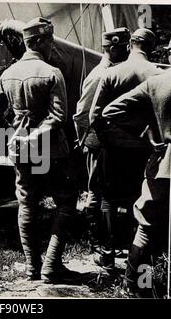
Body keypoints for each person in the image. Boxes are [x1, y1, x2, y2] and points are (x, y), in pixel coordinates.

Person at [0, 18, 79, 283]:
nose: (52, 46)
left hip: (20, 151)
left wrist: (17, 133)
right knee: (66, 200)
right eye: (49, 40)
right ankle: (51, 266)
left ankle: (31, 268)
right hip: (52, 151)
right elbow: (59, 116)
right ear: (39, 41)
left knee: (26, 203)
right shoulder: (52, 72)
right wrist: (36, 135)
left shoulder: (7, 74)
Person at [101, 29, 171, 297]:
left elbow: (110, 111)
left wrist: (147, 133)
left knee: (147, 229)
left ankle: (137, 287)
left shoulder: (159, 82)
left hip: (167, 165)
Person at [89, 28, 164, 269]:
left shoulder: (112, 73)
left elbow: (94, 116)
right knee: (138, 198)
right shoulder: (159, 74)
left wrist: (109, 138)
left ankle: (108, 252)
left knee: (109, 199)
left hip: (113, 148)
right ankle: (136, 252)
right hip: (144, 148)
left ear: (130, 43)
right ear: (151, 48)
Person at [73, 28, 130, 251]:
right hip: (99, 144)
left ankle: (110, 239)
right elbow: (81, 114)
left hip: (109, 143)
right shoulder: (99, 75)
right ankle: (97, 239)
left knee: (109, 192)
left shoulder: (113, 72)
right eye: (125, 48)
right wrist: (89, 143)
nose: (128, 52)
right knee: (97, 191)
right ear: (113, 48)